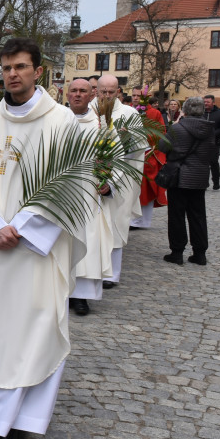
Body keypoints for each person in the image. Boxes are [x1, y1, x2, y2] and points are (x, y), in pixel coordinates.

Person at [0, 38, 81, 439]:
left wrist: (22, 228)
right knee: (2, 332)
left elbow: (69, 183)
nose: (13, 74)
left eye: (21, 66)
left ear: (38, 71)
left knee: (38, 327)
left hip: (36, 248)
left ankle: (29, 419)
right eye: (7, 67)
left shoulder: (62, 122)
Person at [91, 74, 142, 290]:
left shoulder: (129, 114)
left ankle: (112, 274)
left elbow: (136, 153)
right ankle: (89, 268)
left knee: (116, 223)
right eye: (103, 91)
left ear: (118, 92)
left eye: (112, 92)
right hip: (90, 178)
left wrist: (113, 179)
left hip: (119, 179)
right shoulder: (87, 111)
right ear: (96, 90)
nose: (107, 95)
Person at [66, 78, 113, 316]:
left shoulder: (101, 124)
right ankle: (59, 291)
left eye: (82, 91)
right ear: (67, 94)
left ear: (91, 94)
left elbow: (114, 155)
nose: (77, 95)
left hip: (89, 192)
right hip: (62, 192)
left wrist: (108, 181)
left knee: (89, 241)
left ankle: (81, 296)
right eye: (73, 90)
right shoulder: (56, 120)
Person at [158, 97, 214, 265]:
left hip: (180, 176)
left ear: (185, 110)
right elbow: (212, 152)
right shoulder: (209, 129)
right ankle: (200, 253)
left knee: (177, 215)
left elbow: (162, 146)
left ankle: (177, 252)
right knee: (198, 215)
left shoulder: (178, 128)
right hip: (200, 176)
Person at [201, 95, 220, 190]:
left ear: (213, 103)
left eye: (208, 102)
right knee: (202, 163)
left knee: (213, 162)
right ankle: (204, 182)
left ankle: (216, 182)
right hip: (201, 142)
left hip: (215, 142)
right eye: (205, 102)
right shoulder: (200, 113)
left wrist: (213, 134)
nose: (206, 104)